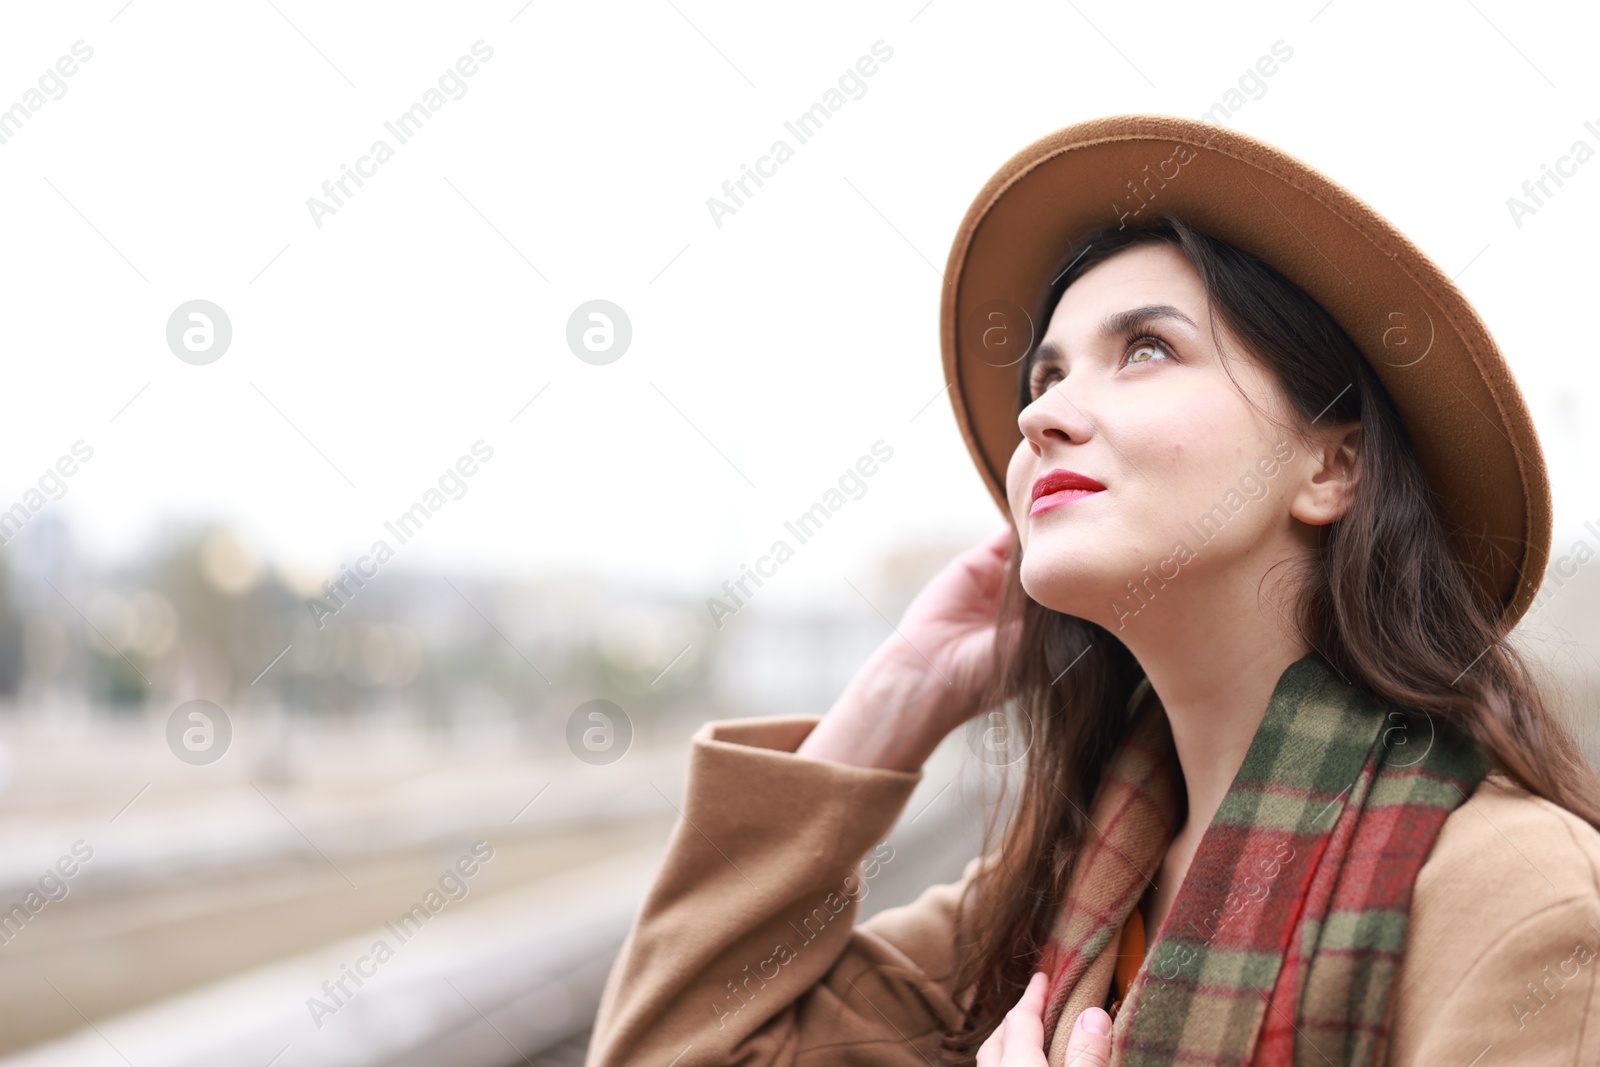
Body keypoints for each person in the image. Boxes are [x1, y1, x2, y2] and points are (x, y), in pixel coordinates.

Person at [584, 116, 1600, 1066]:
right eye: (1045, 376)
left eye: (1145, 349)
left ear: (1333, 468)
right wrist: (898, 694)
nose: (1044, 416)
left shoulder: (1515, 894)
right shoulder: (1051, 900)